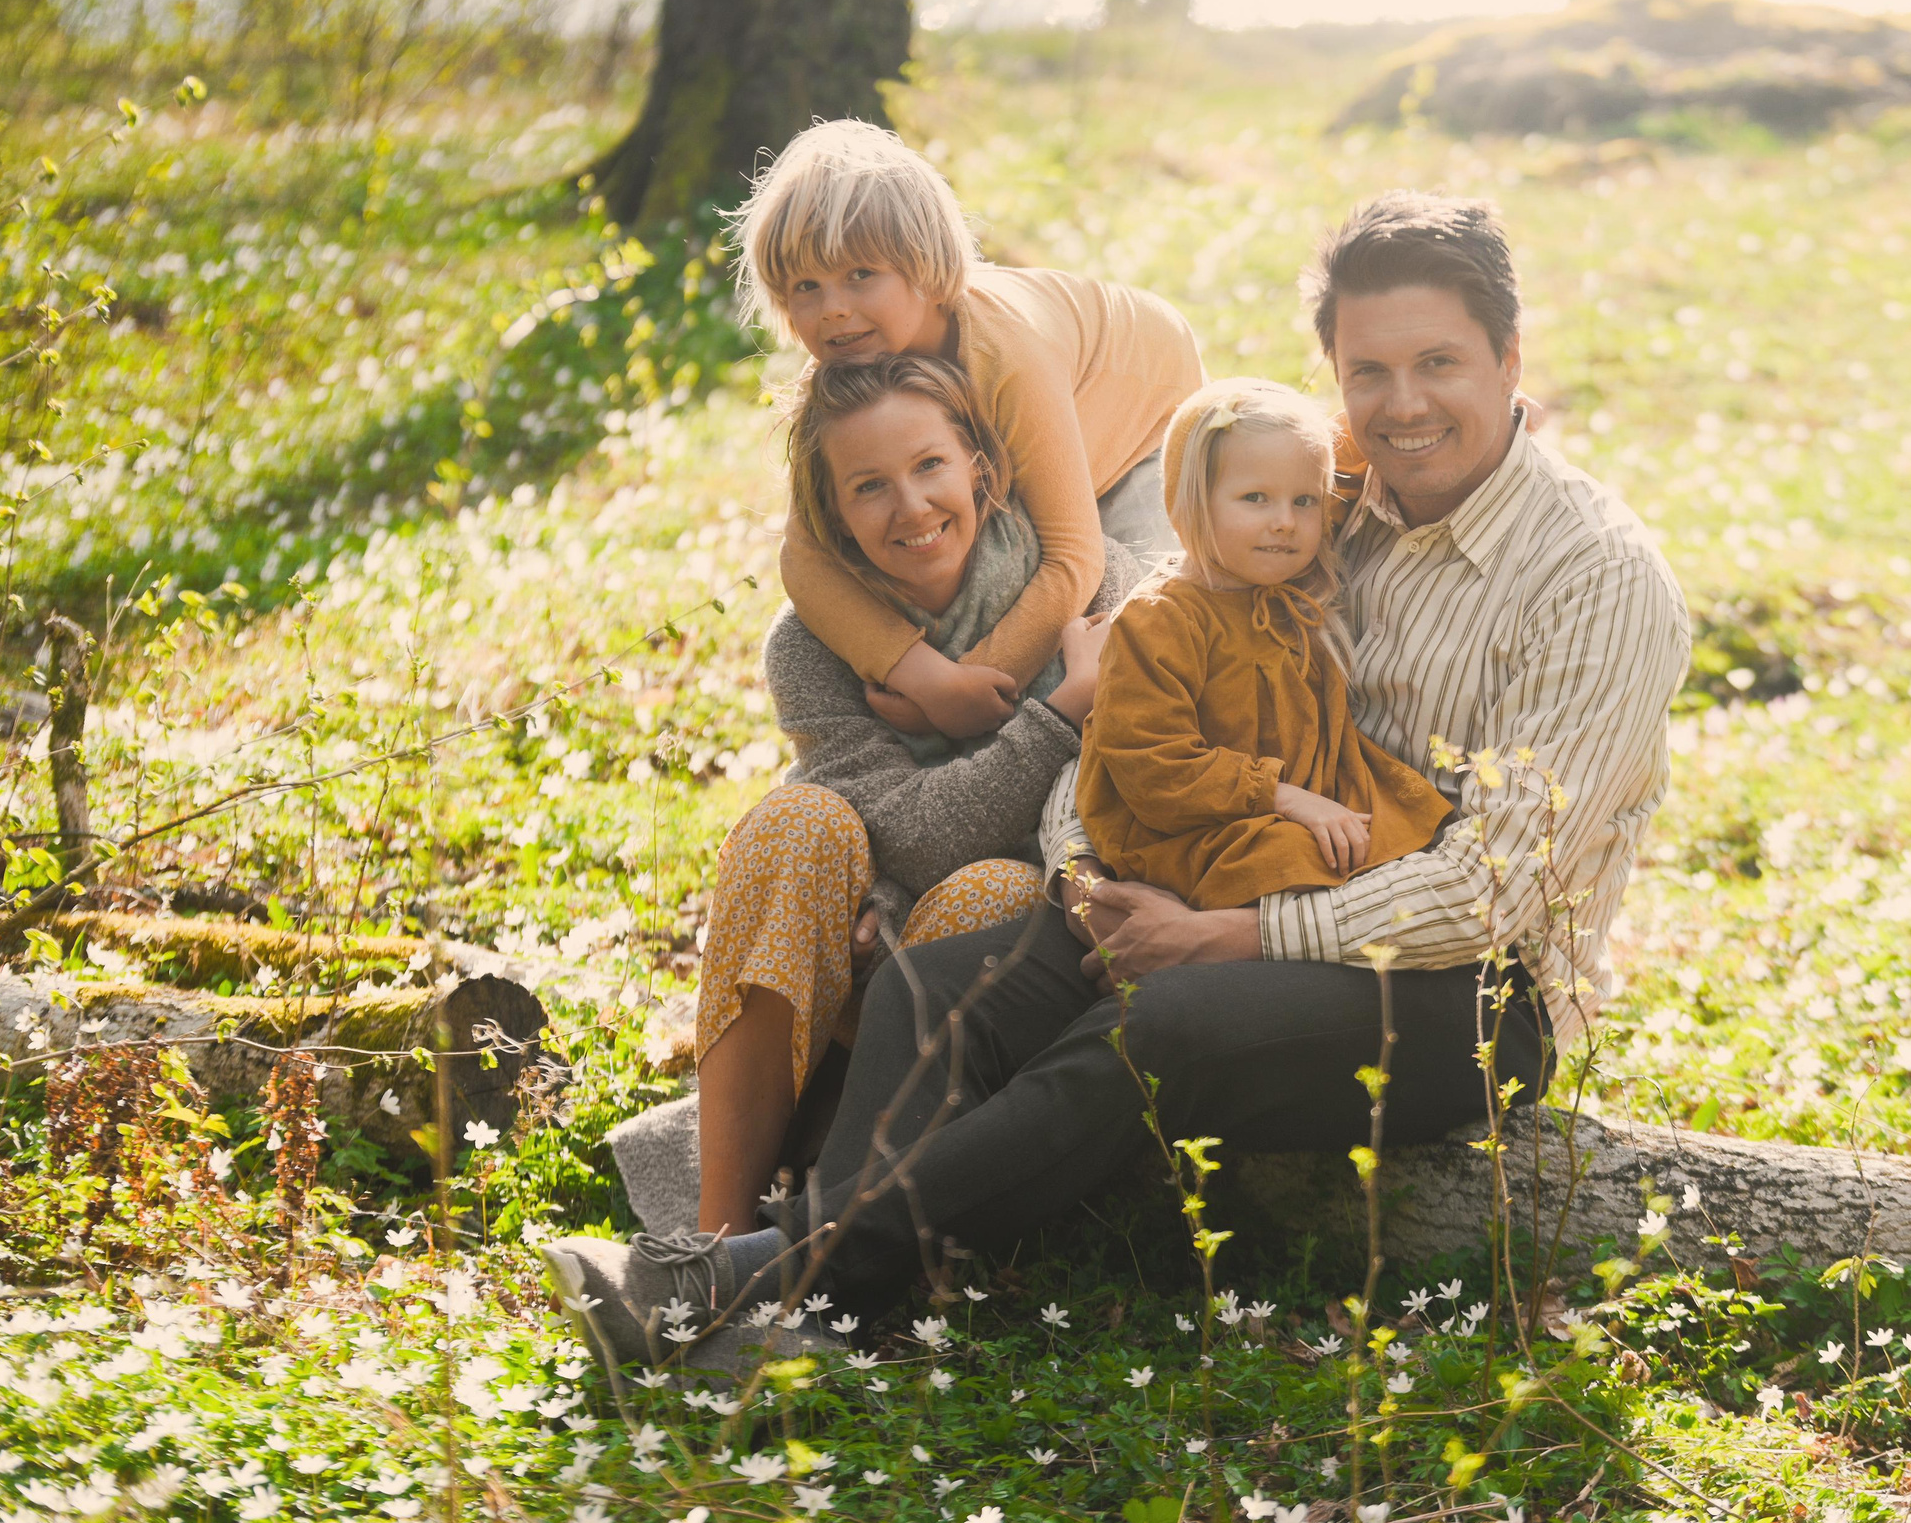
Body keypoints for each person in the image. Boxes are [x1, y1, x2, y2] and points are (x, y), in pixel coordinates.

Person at [548, 191, 1689, 1340]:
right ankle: (820, 1317)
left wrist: (1226, 938)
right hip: (1221, 873)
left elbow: (1496, 890)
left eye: (1437, 363)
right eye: (1365, 371)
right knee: (939, 988)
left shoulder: (1598, 580)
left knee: (1161, 1028)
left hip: (1464, 990)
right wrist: (1085, 877)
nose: (1400, 407)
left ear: (1508, 356)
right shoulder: (1308, 498)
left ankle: (745, 1282)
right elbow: (1139, 692)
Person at [540, 355, 1143, 1357]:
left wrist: (908, 879)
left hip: (984, 978)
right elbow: (895, 826)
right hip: (844, 950)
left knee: (996, 889)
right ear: (830, 513)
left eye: (929, 466)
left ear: (983, 471)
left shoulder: (1092, 590)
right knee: (797, 822)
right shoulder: (811, 643)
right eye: (868, 486)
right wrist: (1052, 715)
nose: (909, 506)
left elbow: (1045, 825)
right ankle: (719, 1240)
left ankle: (834, 1244)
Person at [732, 118, 1206, 742]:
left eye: (860, 275)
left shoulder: (1009, 355)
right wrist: (924, 676)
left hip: (1145, 414)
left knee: (1153, 621)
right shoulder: (850, 359)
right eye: (806, 287)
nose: (834, 310)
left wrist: (976, 682)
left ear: (923, 268)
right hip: (1034, 423)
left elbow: (1074, 556)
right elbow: (806, 559)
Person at [1076, 376, 1450, 907]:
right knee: (1302, 858)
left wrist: (1478, 417)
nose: (1284, 523)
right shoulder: (1161, 619)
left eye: (1303, 501)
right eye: (1255, 498)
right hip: (1197, 826)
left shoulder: (1285, 577)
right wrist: (1283, 798)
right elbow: (1151, 765)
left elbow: (1352, 468)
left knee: (1415, 830)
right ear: (1191, 504)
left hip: (1306, 797)